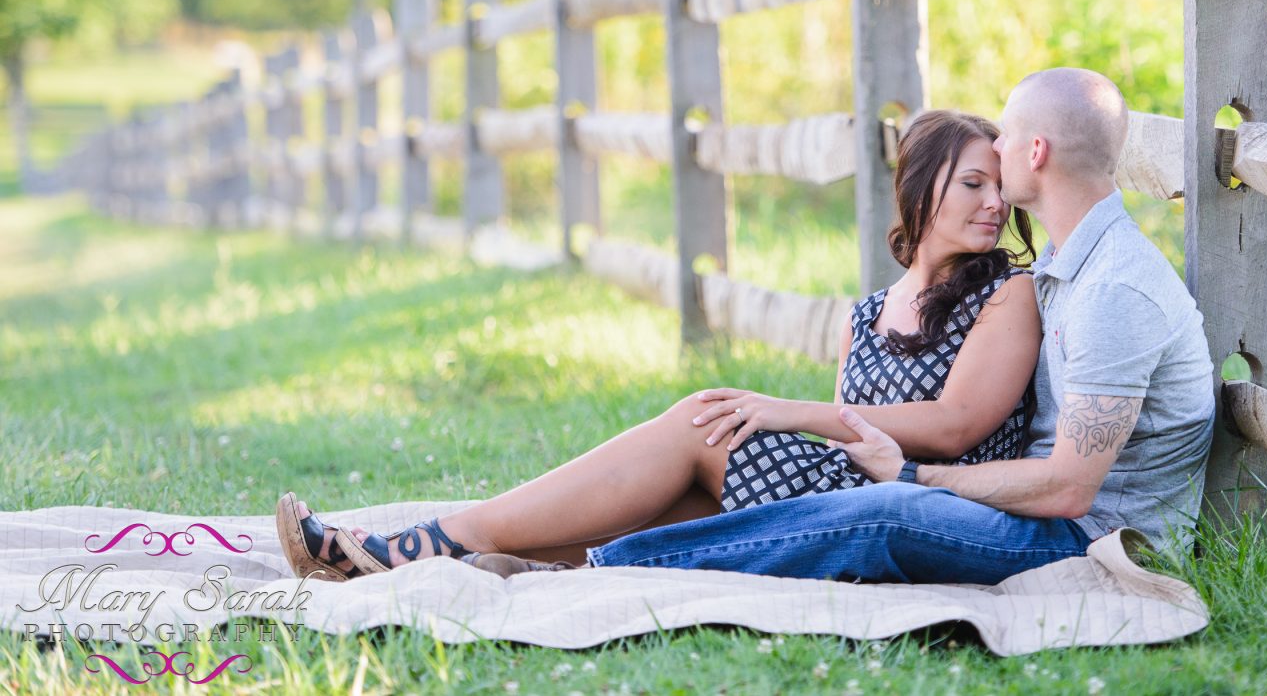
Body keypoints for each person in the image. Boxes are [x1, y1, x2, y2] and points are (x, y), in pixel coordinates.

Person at [486, 68, 1216, 584]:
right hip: (1040, 515)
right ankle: (504, 546)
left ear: (1035, 153)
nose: (993, 161)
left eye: (1007, 138)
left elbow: (1067, 491)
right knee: (734, 453)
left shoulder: (1116, 288)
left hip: (1086, 542)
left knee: (885, 512)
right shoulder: (1069, 263)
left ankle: (598, 568)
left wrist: (913, 474)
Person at [277, 109, 1042, 580]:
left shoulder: (1005, 293)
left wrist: (785, 411)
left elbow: (956, 425)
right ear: (921, 186)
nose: (994, 202)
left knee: (702, 423)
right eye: (973, 183)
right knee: (662, 499)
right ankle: (443, 560)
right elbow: (852, 435)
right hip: (850, 490)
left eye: (998, 186)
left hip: (927, 507)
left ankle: (430, 543)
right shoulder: (870, 309)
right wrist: (797, 421)